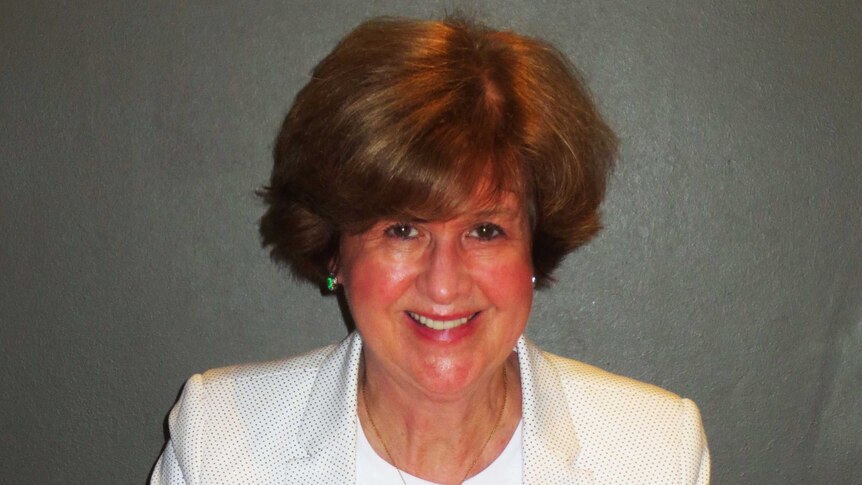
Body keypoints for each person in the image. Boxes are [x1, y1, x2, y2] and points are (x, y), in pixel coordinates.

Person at [150, 16, 709, 485]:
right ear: (333, 253)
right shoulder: (221, 446)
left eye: (486, 231)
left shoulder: (655, 454)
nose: (444, 284)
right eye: (402, 230)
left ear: (533, 253)